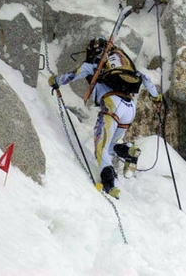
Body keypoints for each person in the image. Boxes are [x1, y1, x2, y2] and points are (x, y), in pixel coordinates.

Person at [48, 37, 161, 199]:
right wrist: (157, 98)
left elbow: (72, 75)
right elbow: (146, 80)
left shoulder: (93, 65)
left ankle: (110, 185)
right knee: (108, 148)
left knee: (100, 148)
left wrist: (55, 81)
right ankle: (128, 151)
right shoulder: (124, 68)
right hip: (129, 108)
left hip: (111, 105)